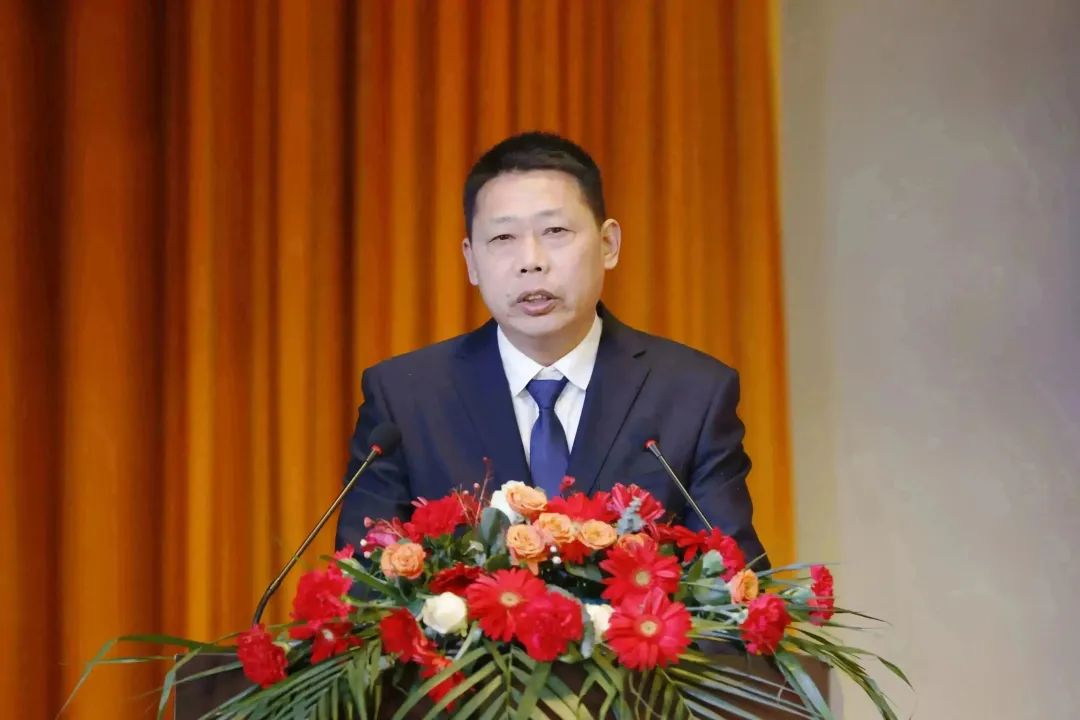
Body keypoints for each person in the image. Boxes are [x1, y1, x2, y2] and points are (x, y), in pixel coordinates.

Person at [334, 131, 767, 566]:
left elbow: (736, 583)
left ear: (608, 244)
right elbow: (363, 583)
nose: (531, 261)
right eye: (503, 238)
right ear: (471, 260)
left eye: (555, 231)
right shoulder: (406, 399)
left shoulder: (692, 394)